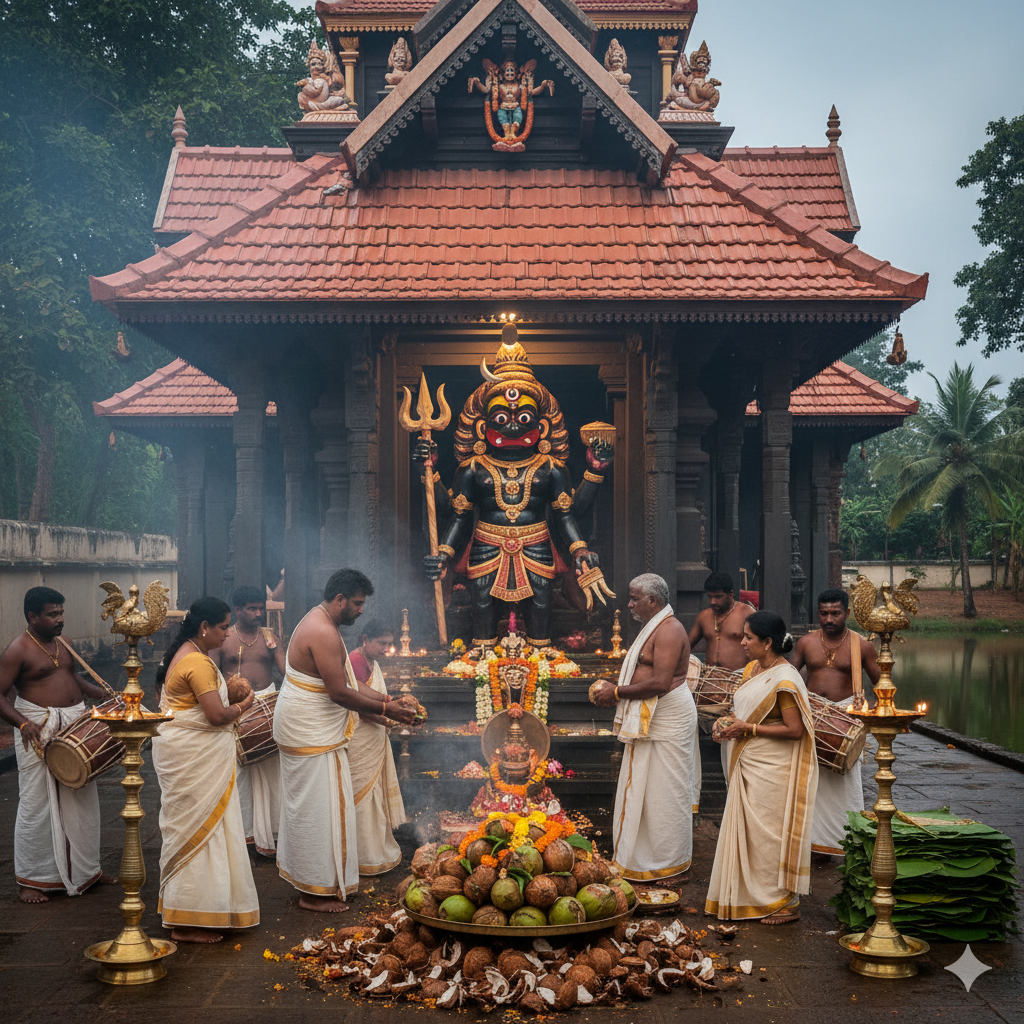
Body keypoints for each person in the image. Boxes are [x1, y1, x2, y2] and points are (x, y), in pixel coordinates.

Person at [274, 569, 418, 913]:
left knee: (319, 808)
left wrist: (388, 701)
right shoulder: (323, 631)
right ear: (339, 599)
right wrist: (387, 709)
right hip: (310, 734)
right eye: (356, 603)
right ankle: (313, 892)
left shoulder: (324, 623)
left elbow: (351, 684)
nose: (361, 610)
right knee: (317, 811)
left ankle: (314, 884)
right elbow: (339, 692)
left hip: (312, 733)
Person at [151, 597, 259, 943]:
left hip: (190, 754)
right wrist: (245, 704)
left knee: (204, 830)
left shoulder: (188, 653)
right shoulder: (196, 661)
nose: (227, 634)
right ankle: (186, 922)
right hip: (192, 757)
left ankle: (202, 910)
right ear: (204, 627)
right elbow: (215, 716)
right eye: (224, 627)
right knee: (197, 831)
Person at [0, 587, 115, 903]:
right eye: (52, 614)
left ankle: (87, 871)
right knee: (37, 803)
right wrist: (22, 723)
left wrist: (97, 692)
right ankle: (32, 879)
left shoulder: (64, 642)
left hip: (74, 724)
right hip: (37, 730)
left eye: (61, 612)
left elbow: (70, 675)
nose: (60, 619)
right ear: (32, 617)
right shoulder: (18, 649)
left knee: (83, 799)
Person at [705, 611, 817, 924]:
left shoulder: (785, 679)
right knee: (751, 836)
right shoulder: (752, 669)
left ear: (767, 642)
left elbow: (795, 729)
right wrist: (726, 723)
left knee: (769, 836)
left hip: (772, 768)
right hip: (749, 761)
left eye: (748, 637)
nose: (742, 642)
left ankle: (784, 903)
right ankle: (750, 897)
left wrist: (747, 729)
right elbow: (742, 710)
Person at [591, 574, 698, 881]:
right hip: (655, 718)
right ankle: (641, 859)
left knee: (666, 794)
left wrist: (617, 692)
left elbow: (662, 682)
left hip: (668, 718)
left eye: (635, 598)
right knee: (647, 790)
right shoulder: (655, 626)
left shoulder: (669, 630)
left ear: (653, 600)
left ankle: (671, 864)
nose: (630, 604)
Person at [790, 588, 880, 857]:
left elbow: (883, 685)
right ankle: (815, 844)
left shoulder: (862, 645)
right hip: (812, 715)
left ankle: (848, 842)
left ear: (847, 613)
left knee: (846, 783)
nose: (829, 619)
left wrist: (870, 715)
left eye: (835, 613)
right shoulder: (806, 643)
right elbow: (789, 676)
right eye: (824, 613)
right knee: (810, 782)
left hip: (846, 719)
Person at [212, 585, 286, 857]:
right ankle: (244, 838)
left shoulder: (270, 637)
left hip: (267, 705)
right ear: (238, 610)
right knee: (239, 775)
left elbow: (286, 670)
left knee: (272, 774)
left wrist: (279, 648)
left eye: (261, 608)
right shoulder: (225, 638)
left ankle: (273, 835)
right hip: (236, 709)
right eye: (252, 609)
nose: (258, 613)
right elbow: (212, 675)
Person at [347, 619, 409, 876]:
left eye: (389, 644)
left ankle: (374, 852)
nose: (386, 649)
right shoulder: (355, 660)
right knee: (362, 796)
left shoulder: (371, 662)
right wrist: (389, 714)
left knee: (374, 796)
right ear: (365, 639)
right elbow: (360, 704)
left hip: (373, 736)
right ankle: (361, 857)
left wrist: (390, 715)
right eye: (382, 643)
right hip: (360, 740)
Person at [688, 572, 755, 671]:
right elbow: (686, 647)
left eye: (718, 597)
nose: (713, 602)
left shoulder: (747, 613)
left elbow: (761, 649)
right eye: (709, 597)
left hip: (738, 676)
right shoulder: (703, 616)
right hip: (709, 675)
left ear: (730, 594)